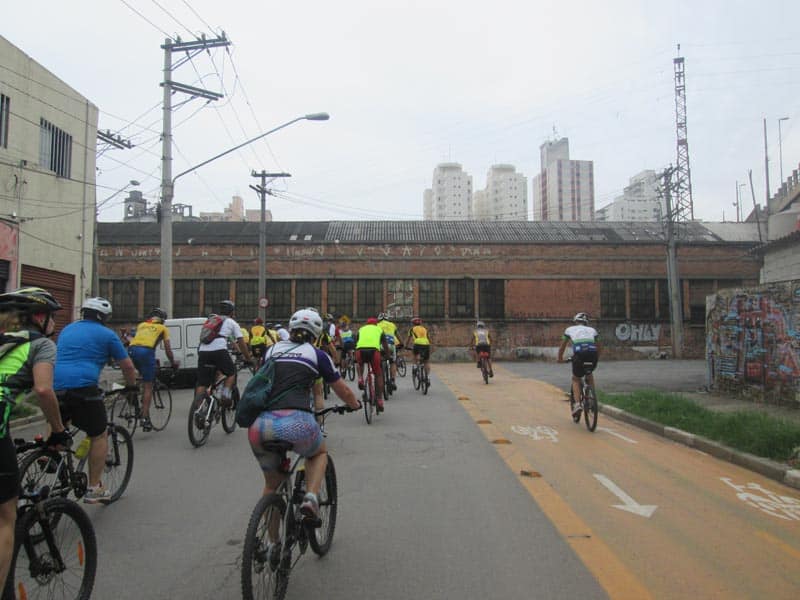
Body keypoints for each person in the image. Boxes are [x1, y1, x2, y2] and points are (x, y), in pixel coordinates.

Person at [247, 308, 360, 522]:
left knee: (272, 486)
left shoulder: (271, 351)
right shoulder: (317, 355)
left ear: (291, 329)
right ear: (316, 334)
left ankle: (272, 541)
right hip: (296, 422)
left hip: (260, 426)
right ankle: (310, 498)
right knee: (318, 453)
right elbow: (343, 390)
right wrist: (354, 404)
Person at [0, 287, 69, 593]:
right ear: (39, 317)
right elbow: (43, 390)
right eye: (52, 316)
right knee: (5, 517)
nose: (54, 322)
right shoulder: (40, 345)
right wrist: (58, 429)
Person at [54, 297, 138, 504]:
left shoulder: (67, 329)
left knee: (59, 422)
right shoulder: (107, 335)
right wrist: (131, 387)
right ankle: (94, 488)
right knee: (99, 433)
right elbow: (127, 367)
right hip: (83, 387)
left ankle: (48, 454)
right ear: (104, 317)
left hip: (55, 385)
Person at [195, 300, 254, 409]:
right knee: (231, 373)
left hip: (203, 351)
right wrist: (248, 358)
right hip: (219, 350)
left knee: (203, 383)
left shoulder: (211, 320)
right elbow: (241, 342)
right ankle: (225, 395)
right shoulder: (231, 322)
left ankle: (197, 409)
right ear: (232, 312)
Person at [127, 307, 178, 431]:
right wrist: (173, 362)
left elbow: (131, 338)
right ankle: (144, 419)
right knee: (148, 386)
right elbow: (168, 349)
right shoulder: (162, 328)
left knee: (139, 376)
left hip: (132, 350)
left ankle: (132, 395)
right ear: (163, 320)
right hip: (146, 352)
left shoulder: (142, 325)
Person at [557, 312, 601, 417]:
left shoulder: (569, 329)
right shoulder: (593, 330)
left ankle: (577, 405)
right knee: (589, 373)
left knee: (576, 379)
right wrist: (596, 358)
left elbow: (563, 346)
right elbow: (599, 346)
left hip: (579, 355)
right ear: (586, 322)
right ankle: (592, 399)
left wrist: (560, 358)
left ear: (576, 321)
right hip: (592, 355)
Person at [356, 317, 390, 412]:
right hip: (374, 351)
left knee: (359, 363)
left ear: (367, 324)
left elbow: (357, 342)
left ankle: (360, 378)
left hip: (360, 350)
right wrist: (387, 356)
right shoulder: (379, 329)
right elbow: (385, 345)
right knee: (378, 374)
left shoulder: (361, 329)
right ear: (376, 324)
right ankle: (379, 400)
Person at [405, 316, 432, 382]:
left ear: (413, 323)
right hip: (426, 344)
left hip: (417, 343)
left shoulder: (412, 329)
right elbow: (429, 338)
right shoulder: (425, 329)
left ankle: (415, 367)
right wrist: (429, 346)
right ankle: (427, 377)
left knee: (415, 355)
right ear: (420, 323)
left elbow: (408, 339)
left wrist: (406, 346)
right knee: (426, 361)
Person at [377, 312, 399, 390]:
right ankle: (392, 380)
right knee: (393, 362)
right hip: (390, 345)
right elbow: (397, 336)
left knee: (379, 362)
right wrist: (402, 344)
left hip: (380, 346)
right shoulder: (392, 325)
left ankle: (380, 378)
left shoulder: (377, 325)